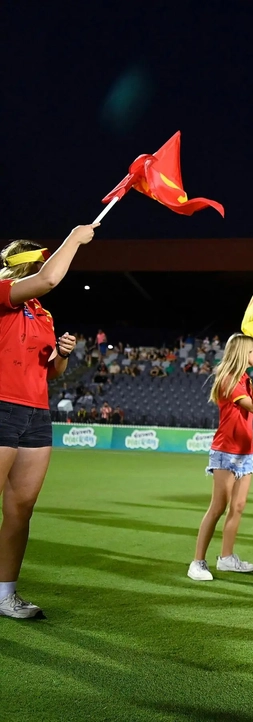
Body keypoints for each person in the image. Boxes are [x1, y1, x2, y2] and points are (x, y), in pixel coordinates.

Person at [0, 223, 97, 618]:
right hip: (1, 405)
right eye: (38, 260)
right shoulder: (3, 293)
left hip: (36, 413)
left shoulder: (43, 314)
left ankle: (6, 594)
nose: (45, 264)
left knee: (21, 509)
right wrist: (74, 237)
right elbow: (50, 278)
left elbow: (49, 373)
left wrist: (62, 355)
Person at [187, 335, 253, 581]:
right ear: (243, 352)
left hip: (246, 452)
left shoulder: (246, 380)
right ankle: (197, 562)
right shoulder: (229, 379)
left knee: (238, 507)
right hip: (226, 451)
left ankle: (226, 558)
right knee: (218, 507)